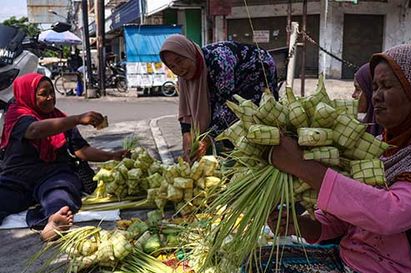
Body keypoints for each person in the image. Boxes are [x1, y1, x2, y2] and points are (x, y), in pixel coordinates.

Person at [262, 44, 411, 273]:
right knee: (259, 264)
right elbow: (345, 218)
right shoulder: (382, 143)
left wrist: (303, 167)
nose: (376, 95)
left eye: (388, 86)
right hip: (350, 264)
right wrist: (299, 226)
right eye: (376, 87)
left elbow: (390, 213)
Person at [0, 73, 128, 241]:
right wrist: (77, 119)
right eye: (43, 94)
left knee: (62, 194)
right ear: (28, 95)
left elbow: (81, 150)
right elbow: (34, 130)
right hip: (18, 177)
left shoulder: (59, 117)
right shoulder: (16, 114)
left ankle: (54, 219)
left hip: (53, 175)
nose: (50, 98)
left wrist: (112, 156)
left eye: (52, 92)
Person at [159, 35, 278, 161]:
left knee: (253, 114)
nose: (179, 69)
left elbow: (229, 106)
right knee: (221, 122)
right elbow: (186, 107)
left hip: (256, 70)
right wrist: (186, 134)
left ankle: (264, 157)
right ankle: (231, 154)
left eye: (179, 61)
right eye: (172, 66)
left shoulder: (220, 61)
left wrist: (206, 139)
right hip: (227, 81)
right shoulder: (185, 74)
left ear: (189, 53)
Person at [352, 63, 384, 137]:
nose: (353, 95)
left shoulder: (385, 132)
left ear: (370, 90)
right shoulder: (368, 123)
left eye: (358, 89)